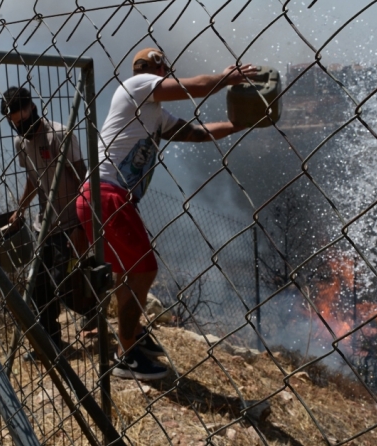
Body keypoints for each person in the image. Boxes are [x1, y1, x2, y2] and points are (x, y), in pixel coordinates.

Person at [76, 48, 258, 380]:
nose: (167, 73)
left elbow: (197, 133)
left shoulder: (154, 114)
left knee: (129, 273)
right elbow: (196, 87)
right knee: (144, 271)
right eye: (164, 68)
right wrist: (228, 77)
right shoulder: (137, 85)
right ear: (155, 69)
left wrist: (237, 125)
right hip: (108, 194)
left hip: (97, 196)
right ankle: (126, 355)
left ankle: (129, 338)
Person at [1, 86, 89, 359]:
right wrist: (21, 208)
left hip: (70, 221)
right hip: (44, 224)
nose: (20, 128)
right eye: (13, 124)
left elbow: (82, 178)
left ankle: (93, 317)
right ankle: (50, 342)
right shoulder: (22, 143)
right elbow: (33, 178)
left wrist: (81, 226)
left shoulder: (59, 135)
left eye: (22, 120)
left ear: (31, 108)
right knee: (39, 285)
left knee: (66, 282)